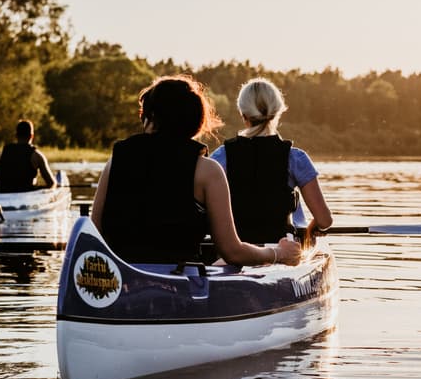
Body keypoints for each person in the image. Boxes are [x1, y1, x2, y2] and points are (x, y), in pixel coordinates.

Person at [90, 75, 302, 267]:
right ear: (195, 120)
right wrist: (278, 253)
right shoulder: (207, 171)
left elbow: (94, 235)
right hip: (178, 284)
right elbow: (233, 253)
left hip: (121, 280)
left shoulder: (116, 161)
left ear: (150, 117)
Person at [210, 77, 333, 246]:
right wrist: (309, 231)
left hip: (235, 251)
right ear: (277, 113)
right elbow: (324, 220)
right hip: (281, 250)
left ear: (243, 115)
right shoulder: (296, 158)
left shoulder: (221, 157)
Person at [0, 119, 56, 192]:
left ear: (16, 135)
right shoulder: (37, 156)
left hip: (2, 194)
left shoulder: (1, 155)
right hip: (25, 195)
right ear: (31, 136)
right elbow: (51, 183)